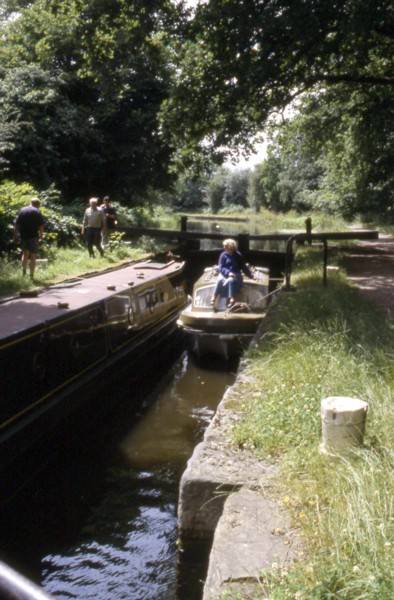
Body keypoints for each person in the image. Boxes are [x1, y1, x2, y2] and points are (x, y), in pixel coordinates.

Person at [211, 238, 253, 309]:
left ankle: (232, 298)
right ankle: (214, 296)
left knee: (231, 280)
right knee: (219, 279)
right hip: (225, 274)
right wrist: (228, 273)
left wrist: (251, 276)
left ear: (230, 247)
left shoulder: (238, 255)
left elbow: (244, 267)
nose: (224, 247)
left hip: (236, 274)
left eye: (225, 246)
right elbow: (221, 267)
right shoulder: (223, 255)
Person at [14, 197, 45, 279]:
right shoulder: (37, 211)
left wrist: (15, 235)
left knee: (25, 254)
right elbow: (41, 226)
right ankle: (31, 276)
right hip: (33, 236)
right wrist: (41, 237)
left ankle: (24, 273)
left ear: (30, 203)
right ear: (38, 204)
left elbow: (17, 224)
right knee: (33, 256)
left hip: (23, 236)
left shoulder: (22, 210)